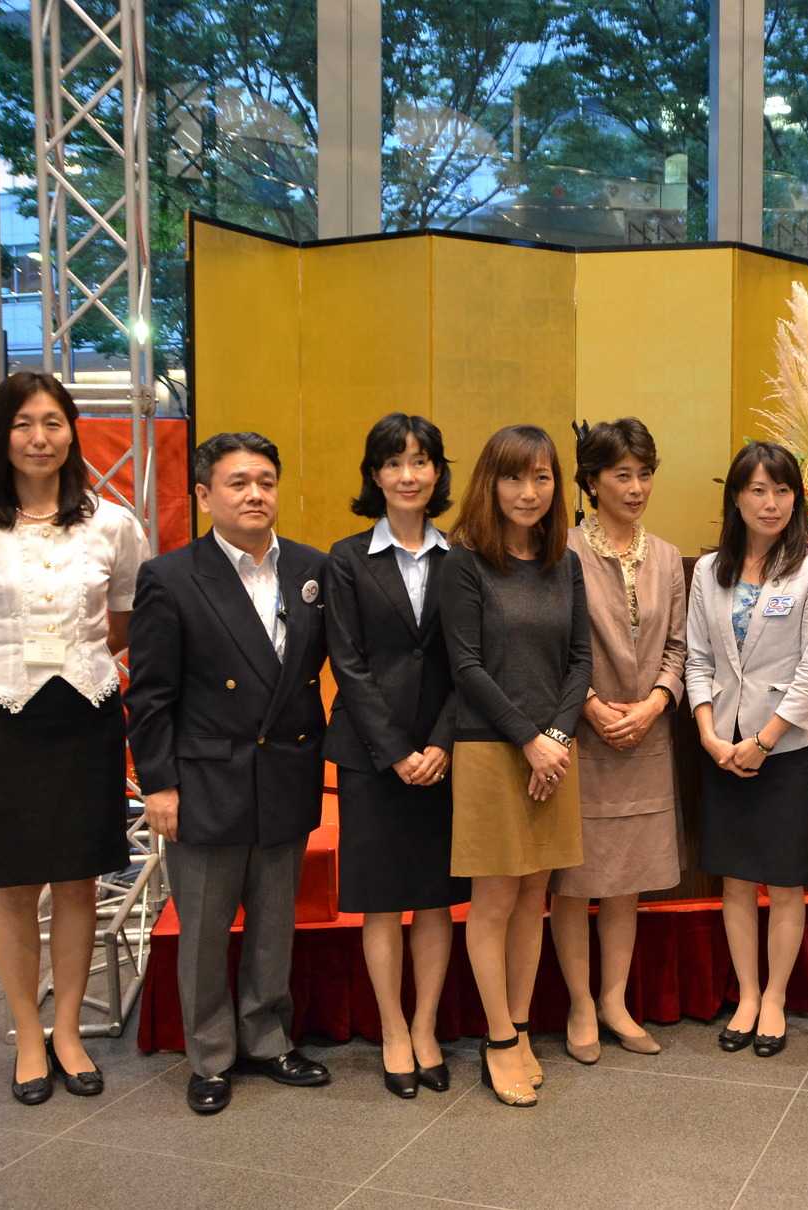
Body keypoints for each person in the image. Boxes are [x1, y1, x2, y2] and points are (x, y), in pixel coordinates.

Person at [0, 371, 146, 1106]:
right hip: (0, 718)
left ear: (72, 432)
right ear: (0, 434)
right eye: (24, 423)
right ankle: (27, 1035)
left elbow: (122, 623)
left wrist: (80, 654)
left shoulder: (112, 523)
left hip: (84, 716)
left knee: (79, 879)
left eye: (53, 422)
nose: (40, 437)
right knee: (14, 885)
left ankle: (69, 1033)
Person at [126, 431, 332, 1116]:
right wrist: (157, 783)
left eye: (266, 481)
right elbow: (150, 694)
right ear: (205, 494)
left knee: (275, 921)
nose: (255, 494)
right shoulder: (171, 576)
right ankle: (210, 1055)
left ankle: (269, 1038)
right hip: (206, 778)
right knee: (206, 927)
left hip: (285, 771)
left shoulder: (311, 569)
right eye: (239, 482)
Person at [437, 424, 592, 1108]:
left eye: (541, 477)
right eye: (513, 478)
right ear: (489, 484)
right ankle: (496, 1041)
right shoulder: (464, 561)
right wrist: (529, 739)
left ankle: (523, 1027)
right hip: (490, 748)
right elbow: (465, 665)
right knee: (496, 901)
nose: (528, 492)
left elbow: (580, 660)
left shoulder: (565, 562)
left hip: (554, 753)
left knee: (537, 897)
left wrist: (554, 736)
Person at [323, 413, 468, 1099]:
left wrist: (438, 744)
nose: (408, 475)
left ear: (438, 472)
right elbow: (346, 665)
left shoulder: (461, 559)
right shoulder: (346, 559)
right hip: (370, 756)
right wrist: (397, 752)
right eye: (393, 462)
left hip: (445, 755)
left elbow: (467, 663)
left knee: (436, 902)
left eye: (421, 461)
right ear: (374, 474)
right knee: (382, 903)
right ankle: (390, 1031)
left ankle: (427, 1027)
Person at [684, 441, 808, 1058]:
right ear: (736, 498)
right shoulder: (709, 570)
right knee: (736, 881)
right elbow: (697, 656)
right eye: (756, 490)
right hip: (722, 746)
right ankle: (746, 994)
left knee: (786, 881)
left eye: (781, 490)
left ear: (795, 497)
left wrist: (765, 741)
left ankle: (775, 996)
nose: (769, 503)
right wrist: (707, 733)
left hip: (787, 748)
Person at [553, 419, 687, 1064]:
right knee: (575, 883)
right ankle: (580, 1002)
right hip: (581, 738)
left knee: (627, 881)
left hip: (647, 737)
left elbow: (681, 647)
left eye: (645, 474)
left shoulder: (665, 555)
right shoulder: (563, 550)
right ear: (591, 480)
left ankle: (615, 1000)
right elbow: (549, 649)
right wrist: (592, 708)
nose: (636, 488)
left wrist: (657, 702)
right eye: (621, 475)